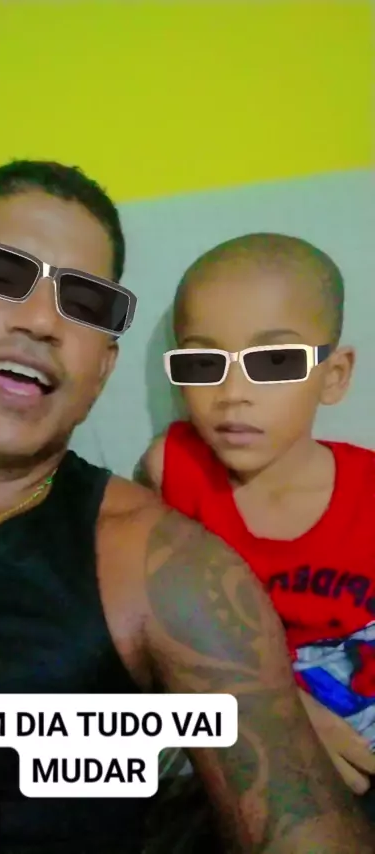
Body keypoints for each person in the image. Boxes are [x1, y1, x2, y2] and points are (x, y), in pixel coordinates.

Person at [0, 163, 371, 854]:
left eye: (85, 303)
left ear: (104, 367)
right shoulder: (171, 472)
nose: (41, 320)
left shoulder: (166, 570)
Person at [139, 233, 375, 818]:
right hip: (244, 725)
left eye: (274, 362)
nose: (233, 393)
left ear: (334, 375)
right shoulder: (173, 472)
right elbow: (153, 629)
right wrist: (275, 711)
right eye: (203, 362)